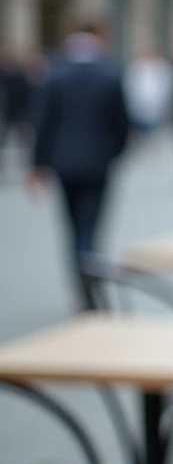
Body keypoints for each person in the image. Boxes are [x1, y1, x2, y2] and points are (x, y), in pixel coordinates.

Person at [28, 22, 130, 302]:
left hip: (63, 163)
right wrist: (114, 153)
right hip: (98, 163)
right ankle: (89, 279)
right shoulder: (110, 73)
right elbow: (122, 124)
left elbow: (43, 123)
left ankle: (80, 279)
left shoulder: (56, 74)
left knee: (72, 226)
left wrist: (37, 165)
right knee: (91, 225)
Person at [123, 48, 173, 134]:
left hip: (158, 112)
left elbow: (168, 90)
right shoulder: (136, 67)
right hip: (139, 112)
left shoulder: (163, 68)